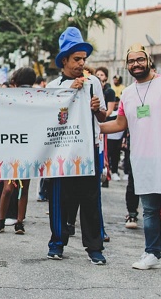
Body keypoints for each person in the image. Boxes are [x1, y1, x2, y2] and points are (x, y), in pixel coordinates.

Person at [100, 43, 161, 277]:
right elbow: (120, 124)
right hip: (142, 161)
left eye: (140, 60)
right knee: (149, 211)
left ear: (149, 60)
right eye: (131, 61)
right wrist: (93, 127)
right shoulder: (129, 93)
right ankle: (151, 254)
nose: (136, 64)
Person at [46, 27, 107, 265]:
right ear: (64, 60)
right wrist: (65, 94)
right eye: (76, 59)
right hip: (62, 150)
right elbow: (47, 117)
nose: (81, 63)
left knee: (91, 199)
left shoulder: (93, 83)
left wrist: (96, 108)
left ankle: (95, 247)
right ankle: (57, 243)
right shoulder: (53, 86)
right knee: (60, 198)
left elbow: (102, 117)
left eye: (83, 59)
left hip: (88, 148)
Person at [0, 67, 36, 236]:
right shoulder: (10, 98)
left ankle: (19, 221)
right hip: (13, 147)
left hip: (26, 147)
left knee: (21, 188)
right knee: (8, 188)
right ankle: (2, 219)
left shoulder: (33, 98)